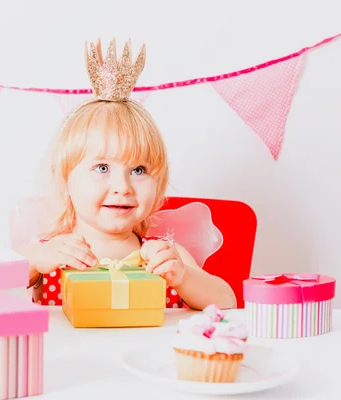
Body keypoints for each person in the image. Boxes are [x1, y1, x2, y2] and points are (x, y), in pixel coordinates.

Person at [17, 38, 236, 310]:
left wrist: (182, 277)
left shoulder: (164, 256)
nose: (123, 187)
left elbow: (227, 302)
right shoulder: (51, 252)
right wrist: (35, 261)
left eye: (139, 170)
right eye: (102, 168)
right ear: (65, 179)